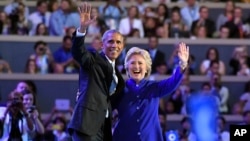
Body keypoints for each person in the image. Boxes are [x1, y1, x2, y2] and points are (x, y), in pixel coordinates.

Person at [67, 2, 125, 141]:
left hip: (103, 128)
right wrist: (82, 29)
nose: (114, 45)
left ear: (122, 47)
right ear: (102, 44)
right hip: (86, 125)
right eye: (110, 41)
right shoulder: (93, 59)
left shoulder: (118, 75)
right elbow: (78, 52)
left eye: (118, 42)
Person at [112, 43, 189, 141]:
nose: (136, 66)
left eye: (140, 63)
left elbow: (172, 82)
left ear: (146, 68)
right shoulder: (119, 88)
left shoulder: (154, 87)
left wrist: (182, 64)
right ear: (127, 67)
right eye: (132, 63)